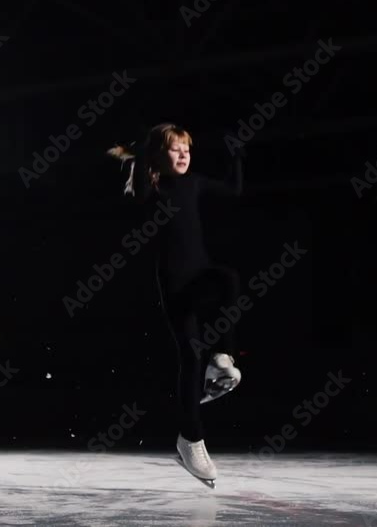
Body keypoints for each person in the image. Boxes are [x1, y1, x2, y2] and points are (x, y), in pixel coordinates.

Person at [107, 122, 244, 486]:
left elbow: (233, 189)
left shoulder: (194, 182)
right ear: (158, 154)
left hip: (201, 273)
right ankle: (191, 440)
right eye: (175, 149)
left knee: (228, 279)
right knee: (191, 359)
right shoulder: (152, 186)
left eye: (187, 148)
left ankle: (222, 358)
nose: (184, 154)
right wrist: (140, 155)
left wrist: (236, 154)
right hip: (174, 284)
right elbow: (137, 193)